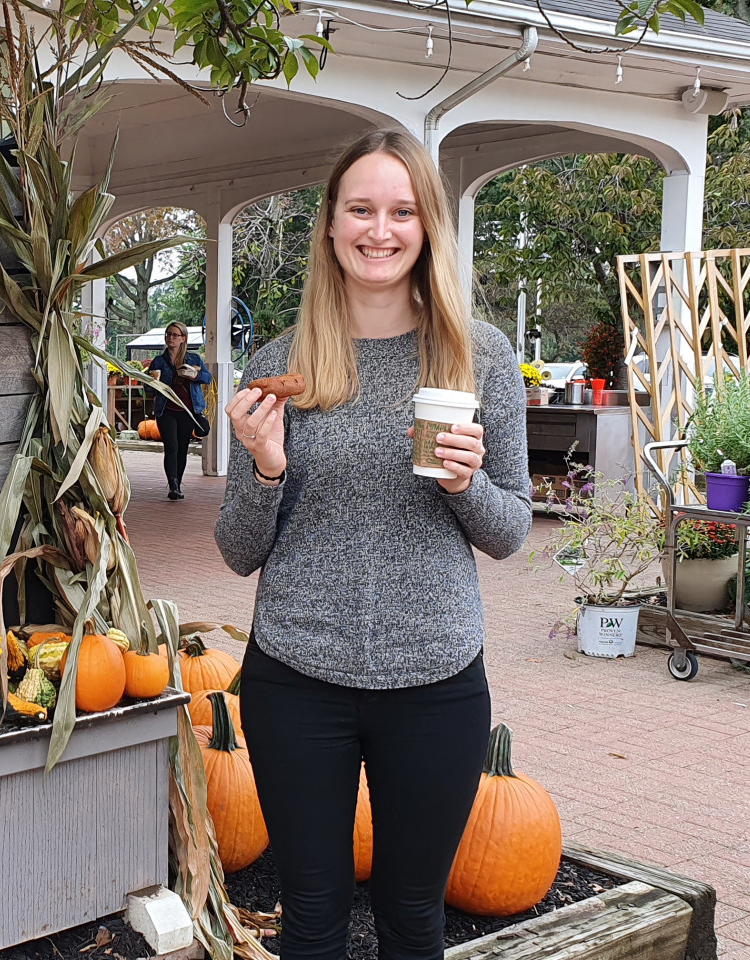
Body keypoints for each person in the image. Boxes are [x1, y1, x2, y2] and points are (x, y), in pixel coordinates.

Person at [215, 129, 532, 960]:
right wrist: (266, 467)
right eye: (360, 209)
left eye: (401, 211)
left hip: (435, 678)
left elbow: (512, 533)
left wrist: (469, 487)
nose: (379, 230)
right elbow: (239, 551)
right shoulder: (281, 360)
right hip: (296, 677)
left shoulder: (479, 356)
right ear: (330, 224)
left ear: (427, 225)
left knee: (411, 916)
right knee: (311, 916)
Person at [147, 322, 211, 500]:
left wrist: (195, 375)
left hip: (188, 410)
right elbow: (149, 388)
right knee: (171, 446)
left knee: (182, 448)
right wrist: (152, 383)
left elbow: (208, 378)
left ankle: (178, 483)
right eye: (168, 334)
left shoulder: (194, 359)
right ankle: (173, 484)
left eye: (175, 335)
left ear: (183, 338)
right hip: (166, 409)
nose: (171, 337)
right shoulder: (159, 361)